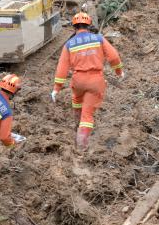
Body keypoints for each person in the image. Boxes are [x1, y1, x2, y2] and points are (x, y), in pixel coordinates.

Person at [51, 12, 124, 149]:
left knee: (77, 101)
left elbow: (62, 69)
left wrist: (56, 88)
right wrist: (119, 71)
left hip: (78, 81)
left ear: (74, 27)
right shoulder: (99, 39)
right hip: (95, 80)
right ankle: (81, 148)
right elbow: (113, 57)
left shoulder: (69, 44)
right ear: (89, 26)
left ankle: (76, 128)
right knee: (87, 115)